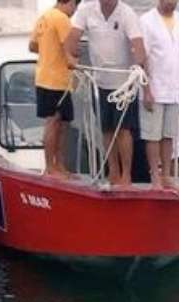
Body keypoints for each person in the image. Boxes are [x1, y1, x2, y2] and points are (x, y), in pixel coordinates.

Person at [65, 0, 147, 186]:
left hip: (124, 84)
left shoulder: (127, 14)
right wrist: (71, 57)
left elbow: (139, 47)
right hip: (100, 82)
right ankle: (113, 172)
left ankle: (126, 174)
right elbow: (72, 37)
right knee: (107, 129)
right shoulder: (86, 10)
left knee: (124, 130)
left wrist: (138, 64)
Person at [139, 0, 179, 187]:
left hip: (173, 88)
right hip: (154, 87)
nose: (171, 3)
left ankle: (167, 175)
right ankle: (155, 174)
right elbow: (142, 57)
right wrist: (146, 89)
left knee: (168, 134)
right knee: (153, 135)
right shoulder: (147, 20)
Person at [29, 0, 79, 177]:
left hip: (44, 76)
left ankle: (59, 166)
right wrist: (73, 61)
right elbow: (69, 48)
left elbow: (33, 45)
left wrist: (49, 52)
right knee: (54, 122)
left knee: (61, 123)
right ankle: (52, 167)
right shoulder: (62, 18)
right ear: (70, 3)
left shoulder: (44, 16)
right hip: (56, 80)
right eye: (75, 6)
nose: (74, 11)